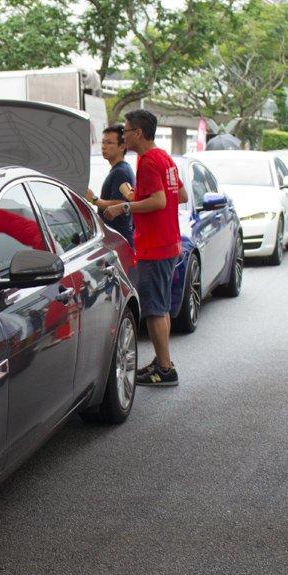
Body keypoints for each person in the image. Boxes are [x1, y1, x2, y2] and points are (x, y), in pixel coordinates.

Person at [103, 109, 188, 387]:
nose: (124, 136)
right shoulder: (164, 158)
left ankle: (164, 370)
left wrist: (124, 206)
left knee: (154, 310)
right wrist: (136, 195)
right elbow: (180, 195)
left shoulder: (149, 161)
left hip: (155, 245)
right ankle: (163, 362)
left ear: (138, 133)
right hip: (168, 242)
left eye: (126, 131)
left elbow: (159, 201)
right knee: (160, 308)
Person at [86, 124, 135, 246]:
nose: (104, 146)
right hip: (116, 238)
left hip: (119, 239)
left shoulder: (121, 172)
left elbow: (120, 204)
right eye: (103, 142)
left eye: (109, 143)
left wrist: (94, 199)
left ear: (122, 146)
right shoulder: (120, 169)